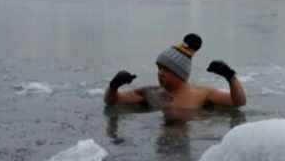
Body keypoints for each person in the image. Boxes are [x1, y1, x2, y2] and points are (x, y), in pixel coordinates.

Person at [103, 33, 246, 110]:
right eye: (159, 68)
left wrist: (230, 76)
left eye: (166, 69)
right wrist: (114, 86)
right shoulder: (151, 93)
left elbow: (238, 102)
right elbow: (112, 101)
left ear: (180, 73)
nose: (160, 73)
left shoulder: (202, 94)